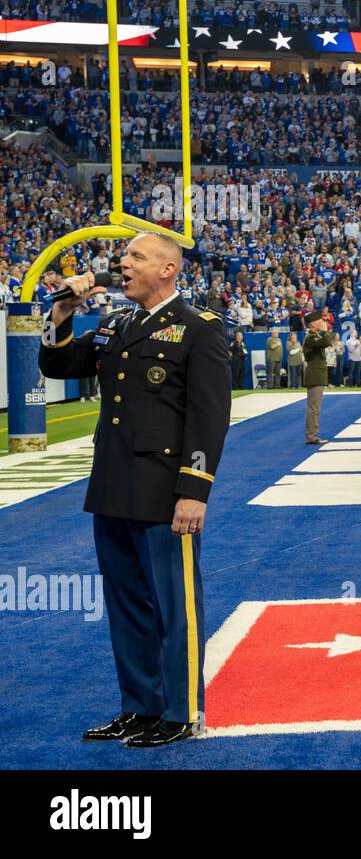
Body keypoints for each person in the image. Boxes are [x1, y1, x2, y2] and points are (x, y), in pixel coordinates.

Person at [39, 233, 231, 747]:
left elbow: (210, 417)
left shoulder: (199, 329)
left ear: (168, 269)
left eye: (135, 257)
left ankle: (180, 711)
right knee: (126, 606)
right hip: (113, 487)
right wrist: (63, 311)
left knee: (174, 605)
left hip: (167, 492)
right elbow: (56, 365)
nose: (122, 264)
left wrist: (195, 488)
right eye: (123, 258)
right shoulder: (115, 325)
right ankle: (140, 708)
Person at [302, 314, 332, 445]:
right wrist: (325, 330)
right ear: (314, 324)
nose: (322, 323)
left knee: (314, 407)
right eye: (320, 321)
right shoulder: (310, 338)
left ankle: (312, 435)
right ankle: (311, 436)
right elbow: (326, 342)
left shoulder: (314, 337)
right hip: (315, 375)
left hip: (317, 375)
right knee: (314, 408)